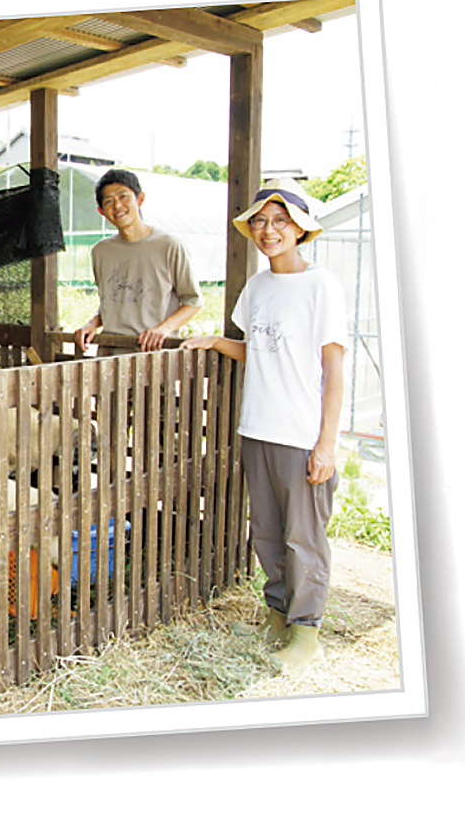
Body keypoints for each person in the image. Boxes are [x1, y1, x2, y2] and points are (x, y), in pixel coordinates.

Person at [182, 178, 346, 672]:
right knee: (269, 531)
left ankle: (306, 632)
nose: (268, 230)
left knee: (305, 536)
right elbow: (258, 350)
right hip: (258, 428)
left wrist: (327, 443)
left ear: (300, 229)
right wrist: (214, 341)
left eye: (279, 221)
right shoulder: (257, 287)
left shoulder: (322, 286)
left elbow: (333, 367)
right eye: (260, 221)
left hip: (301, 434)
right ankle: (277, 615)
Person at [73, 169, 202, 355]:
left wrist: (163, 329)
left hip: (154, 356)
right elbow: (112, 299)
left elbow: (193, 301)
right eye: (108, 201)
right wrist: (92, 324)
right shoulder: (101, 252)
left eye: (123, 196)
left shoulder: (169, 245)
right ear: (101, 210)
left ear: (140, 199)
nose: (117, 205)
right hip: (110, 355)